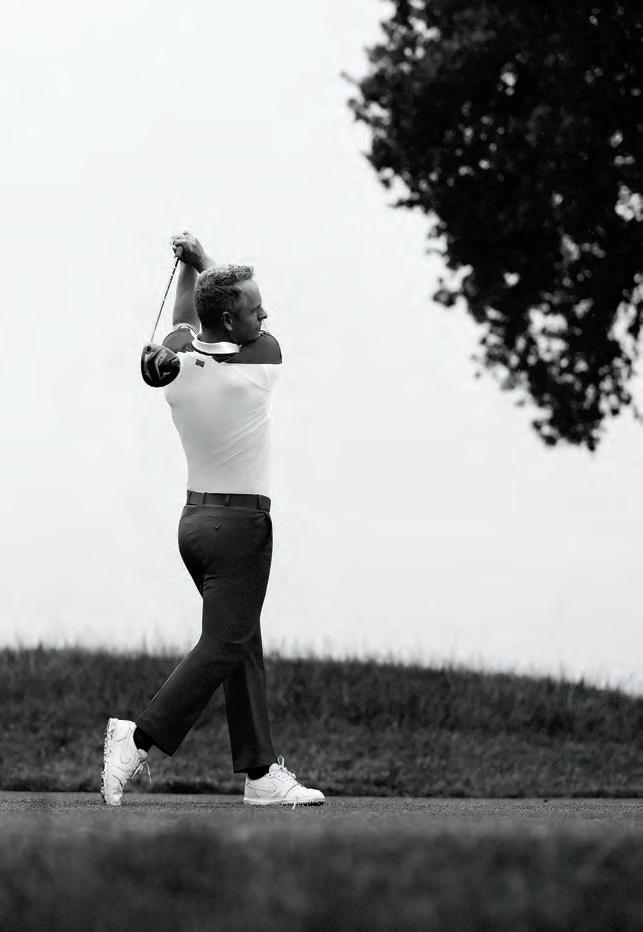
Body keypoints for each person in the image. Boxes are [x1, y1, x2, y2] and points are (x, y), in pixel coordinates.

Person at [101, 230, 324, 809]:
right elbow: (212, 316)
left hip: (195, 525)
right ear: (229, 318)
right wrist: (200, 260)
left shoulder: (175, 366)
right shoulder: (259, 364)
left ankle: (260, 773)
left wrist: (188, 270)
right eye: (254, 308)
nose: (264, 315)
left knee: (241, 639)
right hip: (240, 529)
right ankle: (138, 737)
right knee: (225, 642)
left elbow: (185, 322)